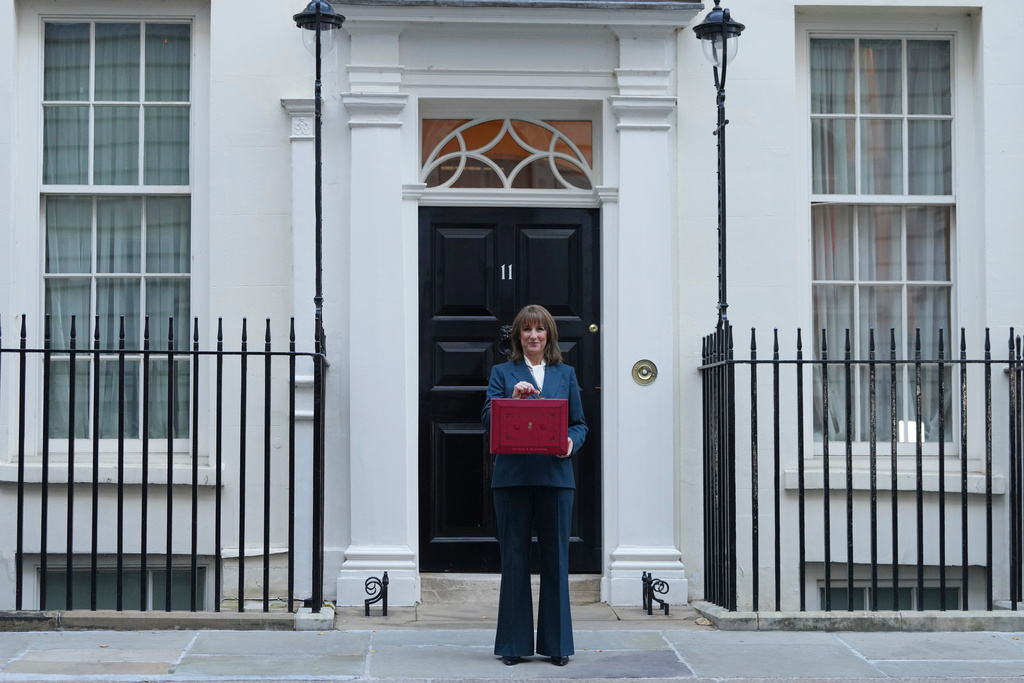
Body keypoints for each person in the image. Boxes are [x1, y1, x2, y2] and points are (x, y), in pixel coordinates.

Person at [481, 304, 588, 667]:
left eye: (539, 330)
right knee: (514, 559)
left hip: (556, 479)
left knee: (556, 560)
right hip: (512, 479)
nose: (533, 336)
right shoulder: (502, 373)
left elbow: (579, 423)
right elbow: (486, 419)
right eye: (526, 330)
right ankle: (513, 644)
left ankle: (558, 645)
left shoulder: (566, 373)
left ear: (549, 336)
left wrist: (571, 443)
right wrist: (510, 399)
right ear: (518, 336)